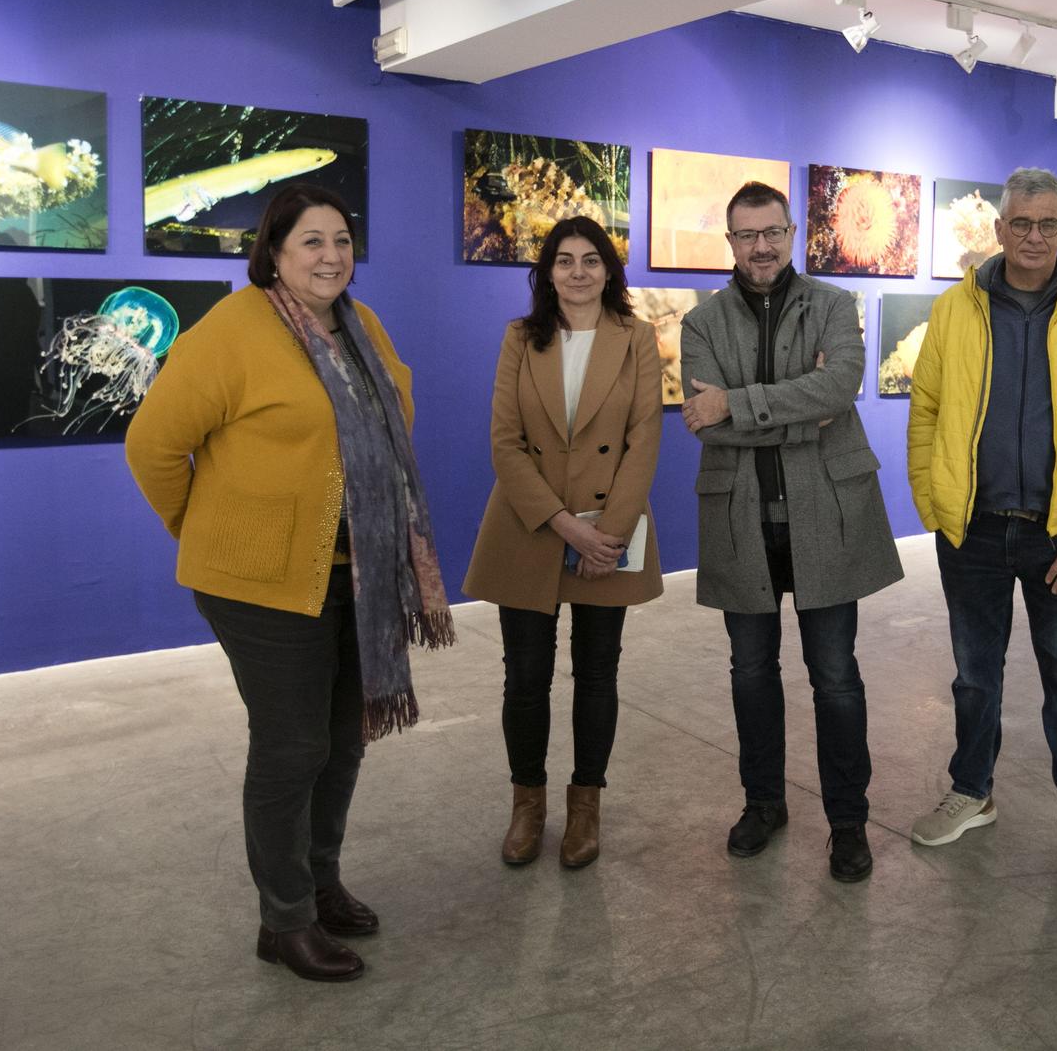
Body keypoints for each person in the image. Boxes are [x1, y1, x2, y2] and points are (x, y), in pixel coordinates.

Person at [125, 182, 455, 984]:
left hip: (359, 572)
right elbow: (152, 444)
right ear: (272, 250)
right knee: (293, 745)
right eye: (311, 241)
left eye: (341, 240)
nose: (331, 255)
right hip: (259, 582)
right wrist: (207, 527)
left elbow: (395, 412)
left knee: (342, 742)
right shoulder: (232, 331)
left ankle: (318, 880)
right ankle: (285, 921)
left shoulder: (359, 324)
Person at [906, 166, 1057, 893]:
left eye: (1048, 224)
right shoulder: (958, 308)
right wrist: (933, 501)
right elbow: (925, 409)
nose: (1034, 236)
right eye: (1022, 223)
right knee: (975, 676)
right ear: (1000, 228)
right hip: (972, 530)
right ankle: (973, 790)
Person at [679, 180, 902, 883]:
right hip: (743, 520)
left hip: (825, 517)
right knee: (751, 675)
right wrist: (797, 409)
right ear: (731, 243)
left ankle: (847, 821)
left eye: (773, 231)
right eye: (747, 235)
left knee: (836, 678)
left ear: (793, 232)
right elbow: (702, 416)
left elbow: (839, 388)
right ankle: (763, 803)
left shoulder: (834, 305)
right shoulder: (701, 324)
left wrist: (738, 403)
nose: (762, 246)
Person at [464, 216, 663, 871]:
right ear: (546, 273)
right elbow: (504, 442)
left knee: (597, 674)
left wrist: (607, 532)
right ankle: (528, 804)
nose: (578, 271)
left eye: (591, 260)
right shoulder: (521, 338)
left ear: (609, 270)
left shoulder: (637, 338)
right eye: (564, 260)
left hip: (609, 531)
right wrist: (564, 523)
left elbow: (642, 442)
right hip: (532, 527)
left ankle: (586, 805)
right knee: (525, 677)